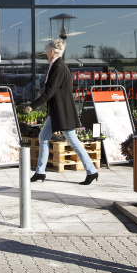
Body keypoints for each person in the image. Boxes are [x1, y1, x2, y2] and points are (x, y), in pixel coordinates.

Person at [25, 39, 98, 185]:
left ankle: (92, 171)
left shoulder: (58, 67)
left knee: (73, 141)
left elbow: (49, 91)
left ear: (52, 52)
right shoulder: (56, 66)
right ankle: (40, 172)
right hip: (56, 112)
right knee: (43, 137)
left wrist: (33, 105)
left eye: (47, 52)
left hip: (62, 112)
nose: (46, 54)